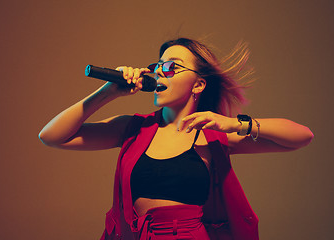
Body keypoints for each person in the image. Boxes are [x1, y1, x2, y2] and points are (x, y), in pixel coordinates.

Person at [39, 38, 313, 240]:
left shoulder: (214, 134)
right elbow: (51, 136)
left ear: (198, 84)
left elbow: (302, 136)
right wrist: (108, 92)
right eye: (157, 66)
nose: (159, 71)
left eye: (171, 67)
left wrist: (235, 123)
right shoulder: (132, 128)